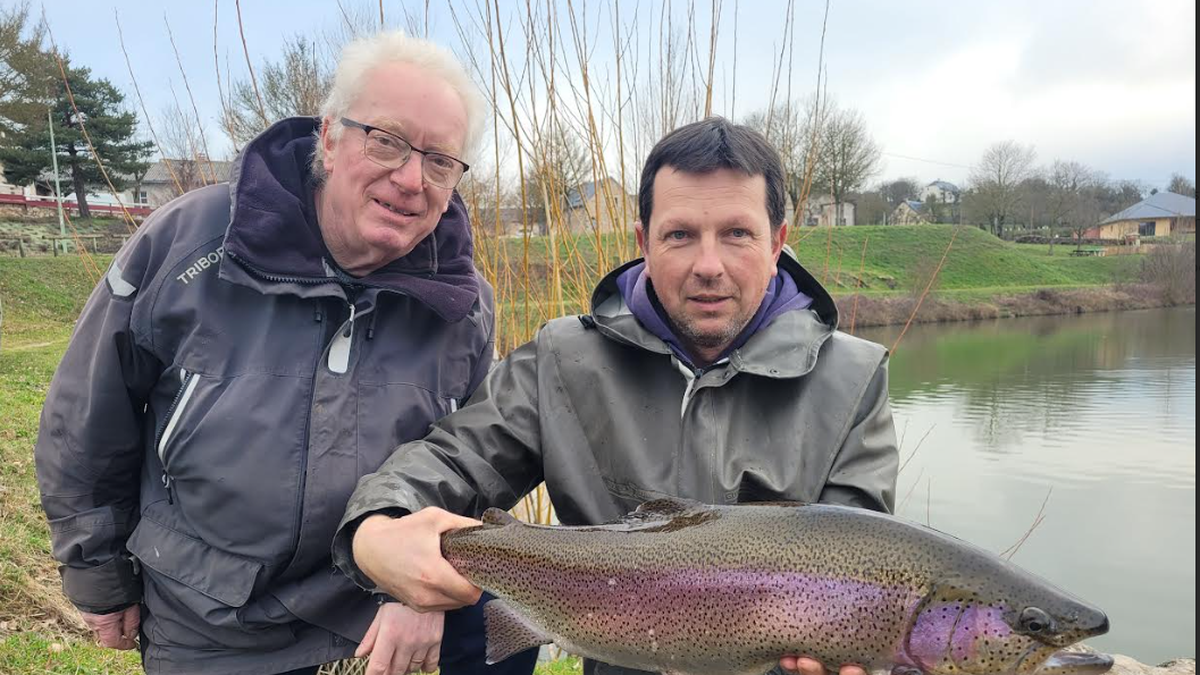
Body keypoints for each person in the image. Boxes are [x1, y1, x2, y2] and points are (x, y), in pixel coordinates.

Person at [34, 31, 537, 675]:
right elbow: (87, 418)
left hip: (376, 619)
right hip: (212, 622)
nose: (411, 179)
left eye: (441, 161)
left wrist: (423, 594)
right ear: (328, 135)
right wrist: (97, 572)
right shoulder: (185, 246)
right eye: (386, 141)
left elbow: (472, 465)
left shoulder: (465, 305)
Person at [333, 117, 900, 675]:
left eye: (737, 234)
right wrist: (379, 526)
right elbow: (456, 458)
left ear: (776, 242)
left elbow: (858, 555)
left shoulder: (854, 378)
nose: (709, 266)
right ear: (642, 242)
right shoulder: (562, 358)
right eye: (679, 235)